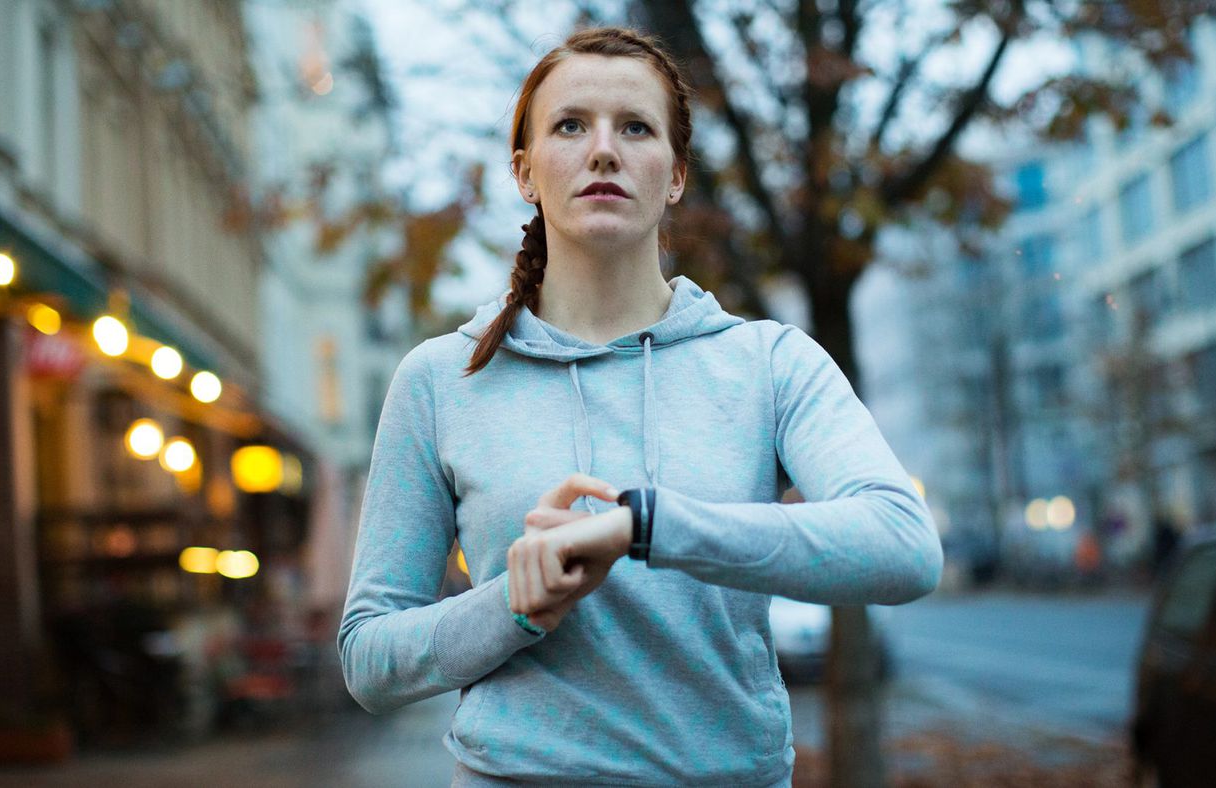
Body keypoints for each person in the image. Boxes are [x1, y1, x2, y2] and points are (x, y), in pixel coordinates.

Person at [337, 25, 943, 787]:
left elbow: (901, 545)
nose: (602, 150)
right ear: (525, 172)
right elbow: (368, 660)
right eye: (569, 125)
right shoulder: (439, 379)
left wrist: (646, 526)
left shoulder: (769, 363)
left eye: (634, 127)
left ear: (676, 174)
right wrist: (513, 610)